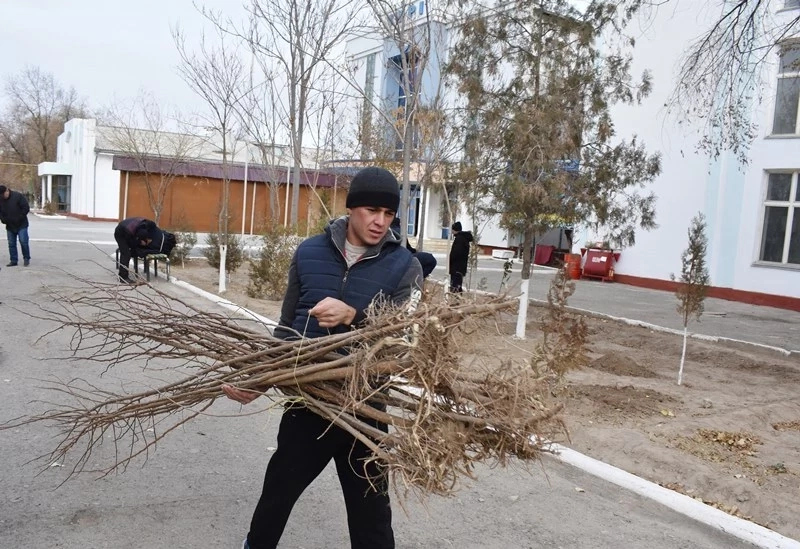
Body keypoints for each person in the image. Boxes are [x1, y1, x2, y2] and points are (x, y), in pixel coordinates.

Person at [223, 166, 423, 549]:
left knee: (372, 521)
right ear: (351, 209)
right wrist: (261, 380)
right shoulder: (310, 252)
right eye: (370, 211)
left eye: (389, 213)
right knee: (275, 498)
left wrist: (354, 316)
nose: (381, 222)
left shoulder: (404, 266)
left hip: (363, 408)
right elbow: (287, 328)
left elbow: (403, 339)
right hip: (306, 399)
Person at [113, 217, 176, 283]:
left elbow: (136, 238)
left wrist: (141, 241)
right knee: (126, 254)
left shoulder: (147, 225)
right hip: (121, 234)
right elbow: (135, 240)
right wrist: (141, 242)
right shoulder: (142, 230)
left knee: (129, 251)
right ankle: (123, 277)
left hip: (124, 228)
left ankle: (124, 273)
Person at [0, 185, 31, 267]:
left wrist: (20, 217)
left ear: (7, 191)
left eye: (3, 195)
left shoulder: (17, 196)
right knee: (11, 243)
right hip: (10, 225)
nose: (3, 197)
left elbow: (26, 208)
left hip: (21, 224)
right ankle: (13, 260)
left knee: (23, 241)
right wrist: (3, 219)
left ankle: (26, 258)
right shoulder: (1, 199)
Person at [448, 221, 474, 293]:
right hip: (460, 266)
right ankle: (457, 299)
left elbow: (456, 253)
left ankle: (456, 301)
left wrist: (451, 259)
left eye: (452, 229)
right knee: (457, 284)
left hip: (457, 267)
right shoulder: (463, 238)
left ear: (454, 229)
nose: (451, 231)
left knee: (455, 285)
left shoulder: (459, 239)